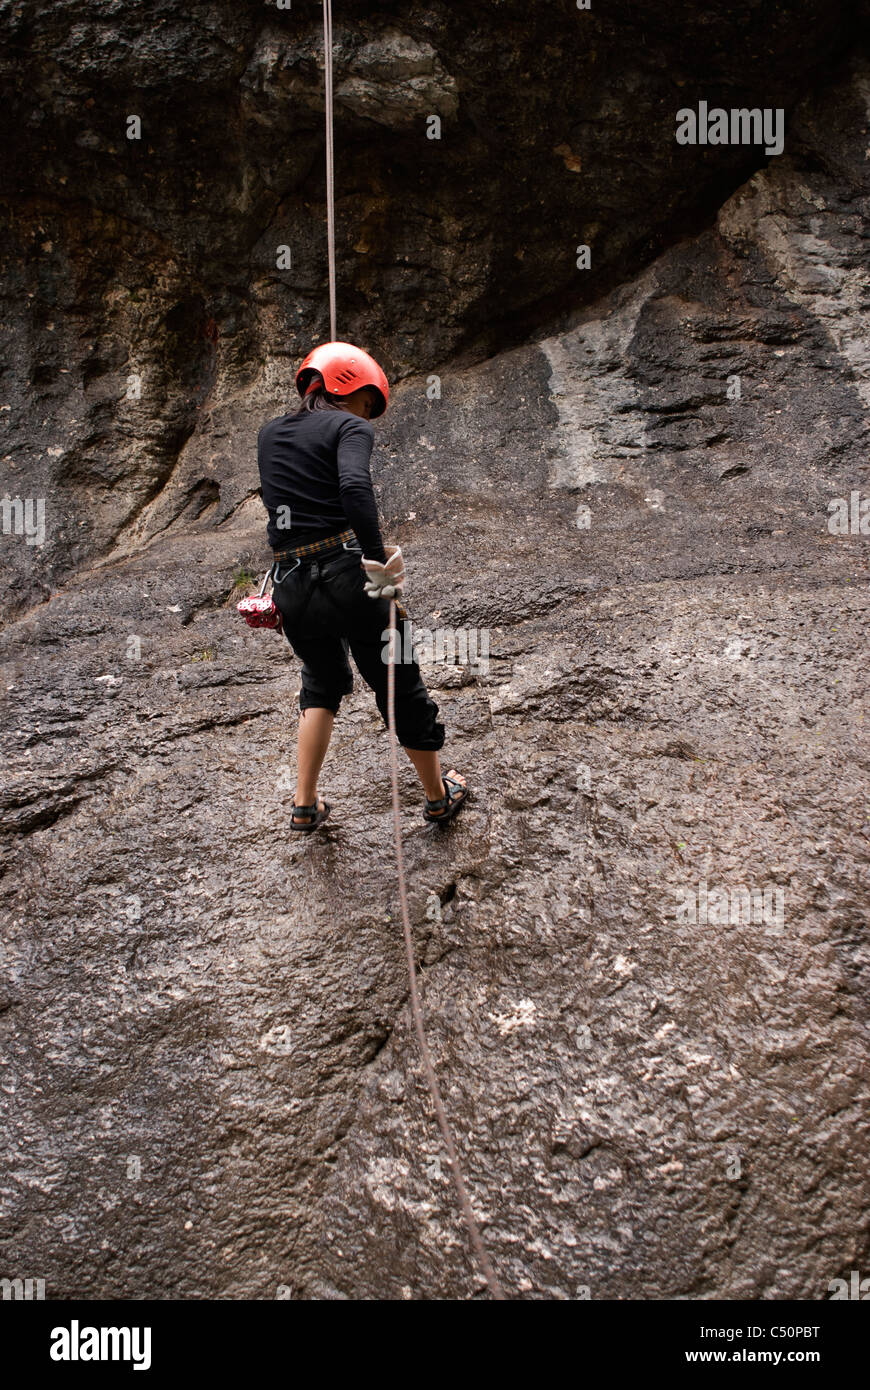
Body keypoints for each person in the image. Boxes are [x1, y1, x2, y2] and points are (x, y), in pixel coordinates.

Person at [256, 341, 470, 831]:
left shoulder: (269, 434)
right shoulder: (348, 426)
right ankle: (438, 797)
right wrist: (376, 562)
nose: (366, 417)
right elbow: (353, 488)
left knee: (321, 680)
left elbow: (284, 504)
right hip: (348, 575)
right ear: (345, 386)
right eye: (366, 404)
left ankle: (305, 803)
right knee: (398, 683)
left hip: (290, 585)